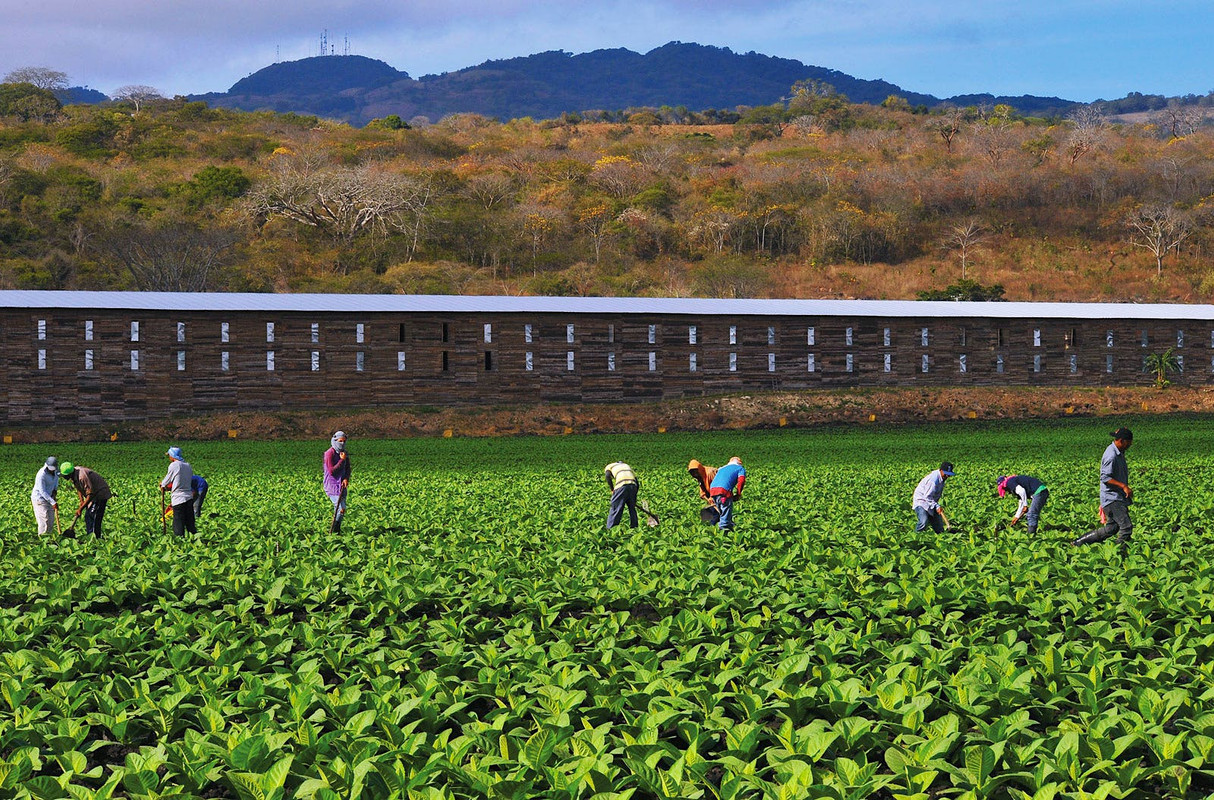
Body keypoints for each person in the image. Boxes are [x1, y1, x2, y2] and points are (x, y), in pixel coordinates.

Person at [1073, 427, 1134, 548]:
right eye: (1128, 442)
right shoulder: (1111, 456)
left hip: (1114, 497)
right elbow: (1105, 478)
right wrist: (1123, 486)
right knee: (1126, 527)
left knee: (1112, 528)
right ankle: (1118, 553)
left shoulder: (1118, 450)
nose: (1130, 445)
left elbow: (1118, 436)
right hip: (1113, 498)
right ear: (1121, 441)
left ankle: (1079, 542)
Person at [60, 462, 112, 538]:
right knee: (88, 517)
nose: (64, 477)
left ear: (69, 474)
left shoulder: (82, 476)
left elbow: (90, 493)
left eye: (65, 476)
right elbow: (78, 487)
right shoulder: (74, 474)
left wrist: (81, 509)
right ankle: (90, 536)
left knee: (93, 517)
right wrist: (81, 501)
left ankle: (95, 539)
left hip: (100, 495)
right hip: (93, 495)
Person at [159, 446, 196, 537]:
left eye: (169, 455)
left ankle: (179, 542)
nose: (169, 457)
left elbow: (167, 480)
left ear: (172, 456)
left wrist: (162, 485)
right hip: (188, 497)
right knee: (190, 523)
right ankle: (194, 540)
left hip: (178, 499)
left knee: (178, 523)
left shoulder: (174, 465)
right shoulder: (188, 465)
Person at [912, 462, 954, 533]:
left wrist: (936, 506)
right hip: (922, 501)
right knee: (923, 522)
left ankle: (943, 540)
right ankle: (915, 538)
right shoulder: (933, 480)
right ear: (941, 470)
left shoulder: (942, 478)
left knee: (939, 528)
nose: (947, 476)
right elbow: (927, 496)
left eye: (949, 474)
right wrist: (937, 506)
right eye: (946, 473)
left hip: (931, 502)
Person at [708, 457, 747, 530]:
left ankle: (728, 527)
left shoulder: (721, 468)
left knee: (722, 513)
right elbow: (741, 480)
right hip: (724, 492)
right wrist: (738, 494)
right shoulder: (740, 468)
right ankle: (723, 533)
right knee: (725, 515)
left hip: (713, 490)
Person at [324, 431, 351, 533]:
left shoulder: (344, 452)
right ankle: (334, 530)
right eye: (340, 441)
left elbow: (348, 468)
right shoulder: (329, 453)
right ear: (335, 441)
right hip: (332, 485)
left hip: (342, 485)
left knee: (342, 509)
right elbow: (332, 471)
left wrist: (346, 479)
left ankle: (337, 529)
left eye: (344, 441)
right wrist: (341, 460)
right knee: (340, 508)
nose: (342, 444)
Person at [604, 461, 640, 529]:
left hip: (621, 485)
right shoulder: (627, 466)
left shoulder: (610, 466)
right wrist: (633, 495)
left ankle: (611, 529)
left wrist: (612, 489)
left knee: (615, 507)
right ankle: (634, 528)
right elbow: (637, 482)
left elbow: (607, 475)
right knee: (632, 508)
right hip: (633, 485)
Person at [31, 456, 59, 535]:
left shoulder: (56, 471)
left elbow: (56, 481)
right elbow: (42, 491)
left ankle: (48, 539)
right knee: (44, 521)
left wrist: (55, 491)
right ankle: (42, 539)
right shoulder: (41, 475)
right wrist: (53, 502)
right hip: (39, 499)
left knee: (50, 520)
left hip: (50, 497)